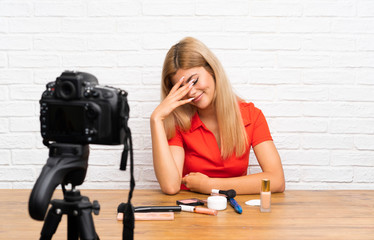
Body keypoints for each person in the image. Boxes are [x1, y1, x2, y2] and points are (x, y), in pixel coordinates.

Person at [150, 37, 285, 195]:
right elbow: (171, 187)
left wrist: (209, 185)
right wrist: (156, 119)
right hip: (192, 212)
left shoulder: (251, 115)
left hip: (237, 210)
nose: (191, 92)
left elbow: (276, 181)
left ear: (212, 70)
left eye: (194, 81)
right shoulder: (179, 123)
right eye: (182, 88)